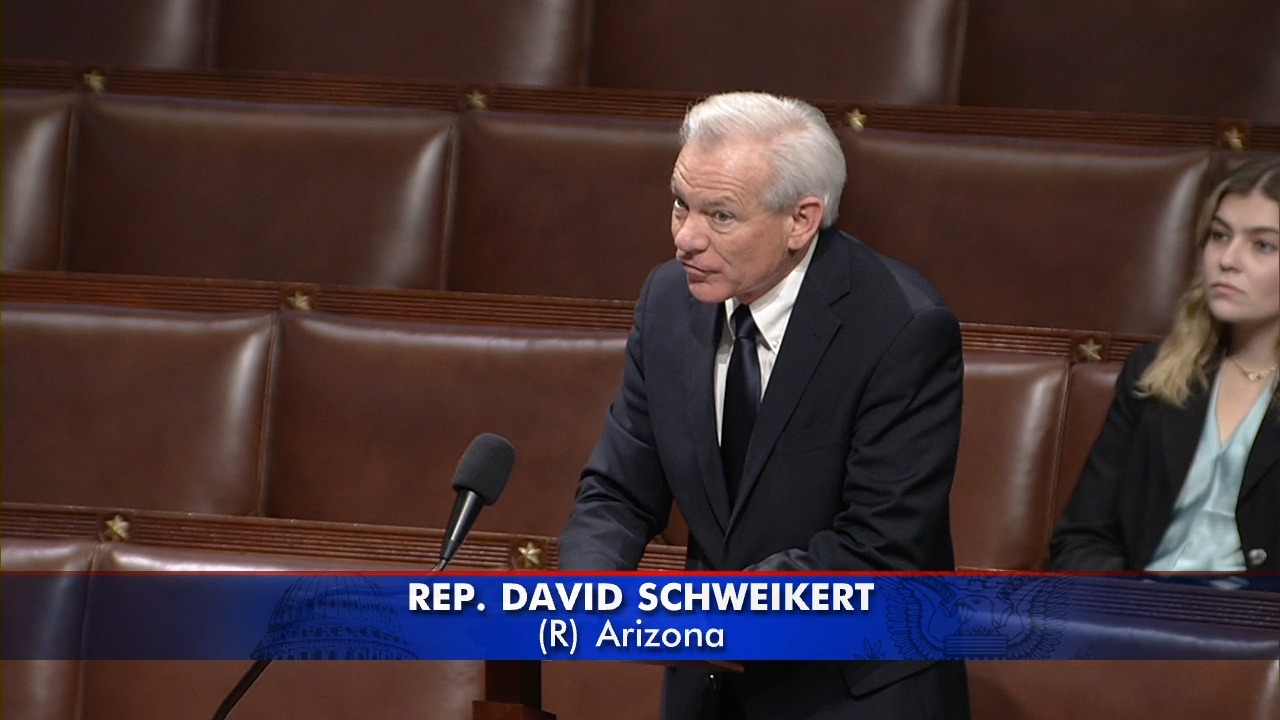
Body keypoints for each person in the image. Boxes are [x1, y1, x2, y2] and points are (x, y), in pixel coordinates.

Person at [558, 92, 969, 719]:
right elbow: (619, 489)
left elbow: (879, 546)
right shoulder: (667, 301)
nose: (685, 239)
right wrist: (591, 591)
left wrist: (707, 615)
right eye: (680, 204)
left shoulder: (901, 328)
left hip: (848, 690)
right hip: (710, 689)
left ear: (801, 220)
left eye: (720, 216)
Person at [1049, 156, 1280, 572]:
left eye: (1263, 245)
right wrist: (1132, 602)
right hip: (1139, 605)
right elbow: (1083, 538)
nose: (1227, 259)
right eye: (1219, 235)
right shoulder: (1153, 371)